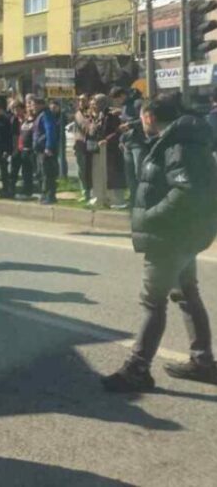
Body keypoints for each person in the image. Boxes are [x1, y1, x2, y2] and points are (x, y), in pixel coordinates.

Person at [102, 96, 217, 392]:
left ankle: (137, 368)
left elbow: (185, 191)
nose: (140, 120)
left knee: (153, 302)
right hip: (183, 233)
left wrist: (151, 216)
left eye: (142, 115)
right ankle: (203, 361)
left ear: (150, 116)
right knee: (187, 293)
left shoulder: (176, 144)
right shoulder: (180, 139)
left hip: (169, 235)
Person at [90, 94, 127, 208]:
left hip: (113, 150)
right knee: (103, 175)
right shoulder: (99, 116)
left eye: (96, 103)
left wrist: (107, 140)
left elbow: (118, 131)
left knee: (114, 175)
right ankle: (104, 198)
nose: (93, 106)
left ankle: (118, 200)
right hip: (102, 149)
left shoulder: (112, 115)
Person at [32, 97, 59, 205]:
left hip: (45, 150)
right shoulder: (40, 115)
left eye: (34, 105)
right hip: (40, 149)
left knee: (47, 174)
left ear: (40, 105)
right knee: (41, 173)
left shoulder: (46, 115)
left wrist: (48, 147)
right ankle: (44, 195)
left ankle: (49, 196)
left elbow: (50, 131)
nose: (32, 107)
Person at [10, 103, 35, 199]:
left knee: (26, 172)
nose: (16, 112)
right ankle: (11, 189)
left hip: (27, 149)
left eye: (17, 109)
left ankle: (27, 191)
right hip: (16, 148)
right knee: (13, 170)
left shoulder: (29, 120)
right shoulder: (13, 120)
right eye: (14, 109)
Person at [73, 95, 93, 202]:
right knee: (82, 170)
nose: (81, 102)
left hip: (90, 145)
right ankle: (85, 192)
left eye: (83, 100)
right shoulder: (78, 114)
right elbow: (84, 127)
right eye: (79, 100)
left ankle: (91, 192)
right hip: (80, 145)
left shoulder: (90, 113)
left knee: (90, 170)